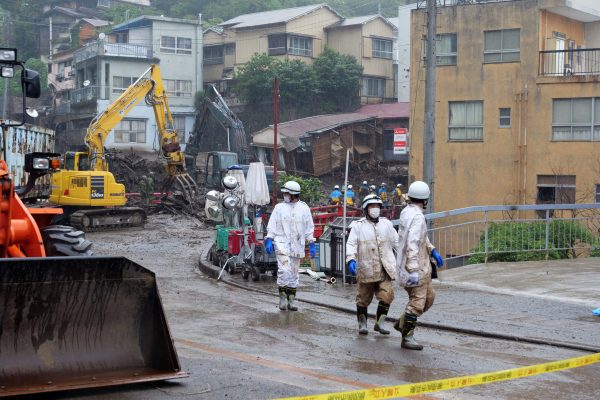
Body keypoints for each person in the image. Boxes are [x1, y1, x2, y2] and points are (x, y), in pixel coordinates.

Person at [394, 181, 444, 350]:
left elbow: (421, 238)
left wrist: (432, 250)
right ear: (425, 199)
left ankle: (402, 322)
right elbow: (412, 244)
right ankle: (407, 337)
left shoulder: (407, 212)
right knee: (417, 303)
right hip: (415, 269)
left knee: (429, 297)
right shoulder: (417, 217)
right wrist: (413, 270)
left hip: (420, 267)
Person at [346, 194, 399, 335]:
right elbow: (351, 244)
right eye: (372, 206)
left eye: (377, 206)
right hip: (366, 268)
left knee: (387, 296)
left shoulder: (387, 224)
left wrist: (406, 258)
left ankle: (379, 323)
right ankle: (362, 324)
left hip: (384, 268)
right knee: (363, 299)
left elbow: (396, 242)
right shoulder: (358, 226)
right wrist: (351, 259)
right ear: (365, 209)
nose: (375, 209)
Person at [265, 181, 316, 311]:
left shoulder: (304, 208)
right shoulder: (279, 208)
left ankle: (291, 300)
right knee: (284, 270)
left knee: (294, 273)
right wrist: (270, 238)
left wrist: (311, 243)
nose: (284, 195)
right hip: (281, 243)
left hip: (297, 245)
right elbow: (272, 224)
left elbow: (309, 227)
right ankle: (282, 298)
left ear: (293, 195)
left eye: (286, 193)